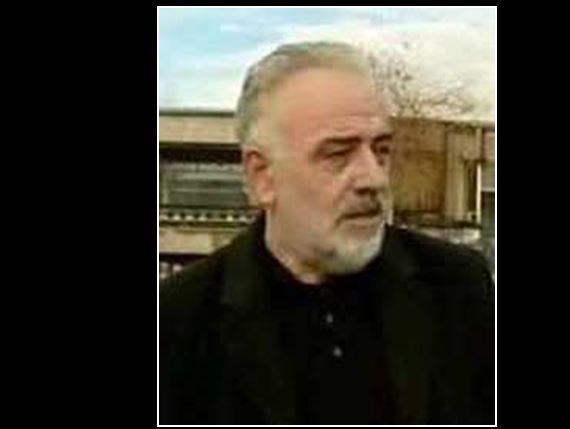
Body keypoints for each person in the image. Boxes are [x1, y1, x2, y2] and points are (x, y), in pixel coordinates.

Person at [159, 41, 495, 425]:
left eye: (381, 150)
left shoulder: (457, 285)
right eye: (338, 154)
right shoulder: (177, 323)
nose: (373, 178)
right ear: (262, 177)